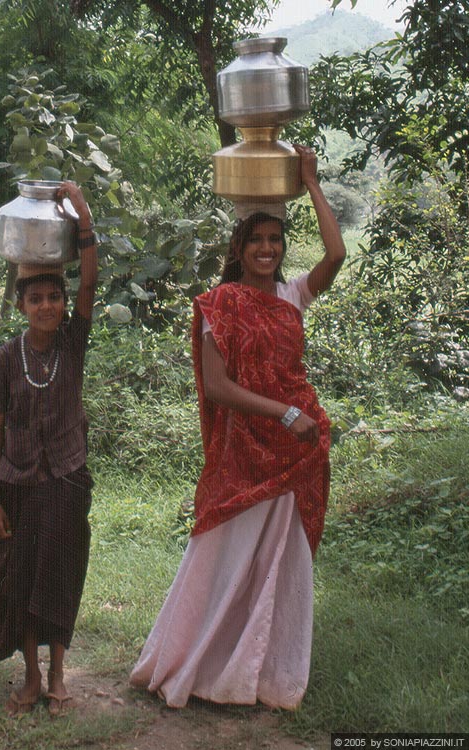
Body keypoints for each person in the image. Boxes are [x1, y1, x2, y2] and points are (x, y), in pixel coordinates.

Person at [130, 145, 346, 709]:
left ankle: (266, 670)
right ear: (240, 248)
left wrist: (311, 182)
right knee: (225, 554)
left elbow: (337, 253)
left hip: (296, 451)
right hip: (247, 451)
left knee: (281, 562)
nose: (268, 250)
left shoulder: (292, 295)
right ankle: (198, 661)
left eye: (275, 241)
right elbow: (220, 387)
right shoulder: (219, 304)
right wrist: (284, 412)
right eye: (257, 241)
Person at [0, 181, 98, 717]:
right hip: (20, 484)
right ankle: (29, 677)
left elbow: (90, 282)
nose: (47, 305)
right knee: (25, 580)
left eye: (54, 296)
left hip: (67, 478)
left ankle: (57, 678)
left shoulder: (74, 342)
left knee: (60, 576)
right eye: (36, 298)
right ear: (22, 304)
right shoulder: (6, 359)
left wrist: (83, 213)